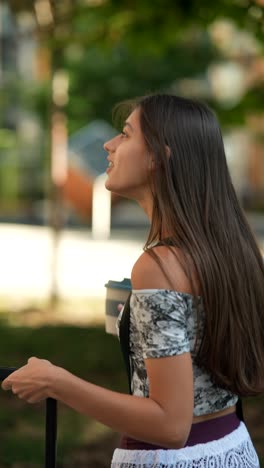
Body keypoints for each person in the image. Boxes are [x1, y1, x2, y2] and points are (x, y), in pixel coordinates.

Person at [2, 94, 264, 467]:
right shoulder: (230, 249)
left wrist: (55, 382)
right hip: (232, 448)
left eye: (125, 135)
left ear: (159, 156)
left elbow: (171, 426)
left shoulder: (158, 265)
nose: (109, 145)